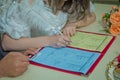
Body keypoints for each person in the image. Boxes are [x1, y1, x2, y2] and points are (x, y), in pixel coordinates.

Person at [0, 0, 95, 51]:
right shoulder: (26, 3)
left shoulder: (73, 2)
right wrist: (49, 41)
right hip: (24, 57)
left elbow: (91, 16)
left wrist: (73, 23)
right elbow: (7, 43)